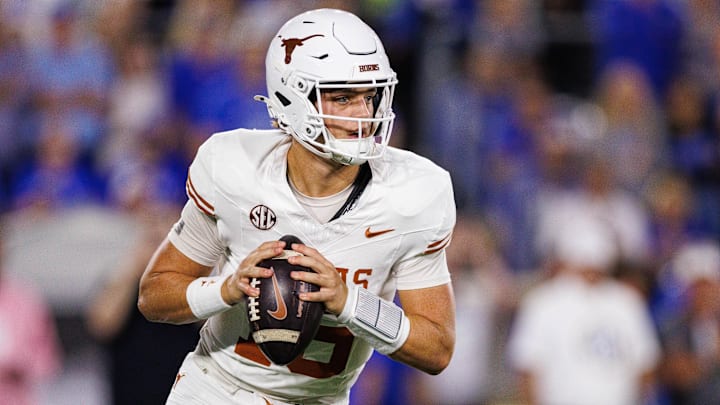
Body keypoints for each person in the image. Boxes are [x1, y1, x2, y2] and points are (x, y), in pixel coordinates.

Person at [137, 8, 457, 405]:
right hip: (217, 390)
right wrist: (226, 288)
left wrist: (350, 303)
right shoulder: (234, 169)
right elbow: (154, 295)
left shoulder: (412, 194)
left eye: (370, 96)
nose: (364, 115)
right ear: (292, 98)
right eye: (343, 97)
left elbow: (437, 348)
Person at [507, 213, 660, 405]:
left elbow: (645, 364)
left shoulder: (626, 301)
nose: (591, 269)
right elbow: (527, 368)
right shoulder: (542, 302)